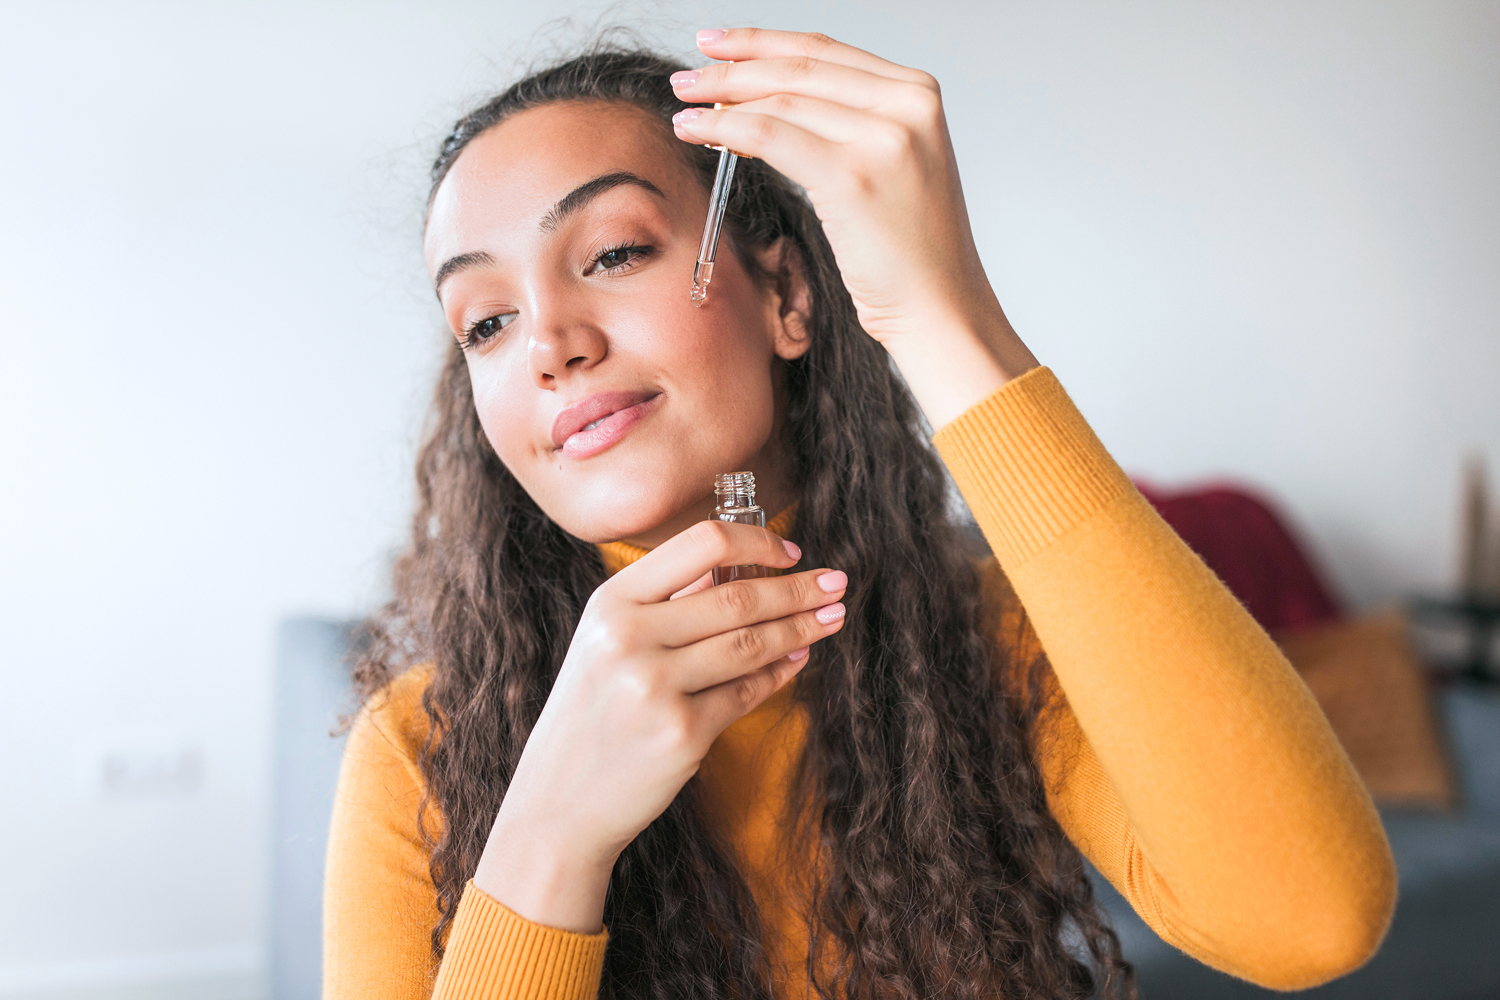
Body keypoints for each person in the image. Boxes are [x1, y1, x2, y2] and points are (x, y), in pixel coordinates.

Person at [324, 27, 1396, 1000]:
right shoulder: (421, 747)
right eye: (487, 321)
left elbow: (1312, 918)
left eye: (614, 253)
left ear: (787, 296)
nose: (550, 341)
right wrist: (553, 832)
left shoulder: (985, 641)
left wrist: (943, 313)